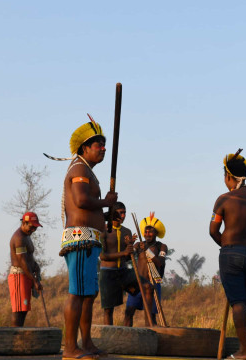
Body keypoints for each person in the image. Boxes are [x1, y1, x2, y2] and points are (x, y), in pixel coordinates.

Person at [60, 117, 117, 360]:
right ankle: (70, 348)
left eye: (105, 145)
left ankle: (87, 343)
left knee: (88, 294)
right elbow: (82, 201)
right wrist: (107, 202)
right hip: (80, 238)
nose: (103, 148)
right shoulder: (79, 169)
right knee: (78, 293)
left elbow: (88, 207)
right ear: (85, 148)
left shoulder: (87, 171)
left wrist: (106, 215)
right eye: (98, 145)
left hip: (90, 239)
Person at [209, 150, 246, 360]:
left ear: (229, 177)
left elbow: (213, 230)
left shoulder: (224, 199)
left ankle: (244, 351)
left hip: (231, 252)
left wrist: (226, 246)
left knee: (238, 303)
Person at [124, 212, 168, 327]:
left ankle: (151, 338)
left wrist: (147, 252)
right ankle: (126, 339)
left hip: (153, 283)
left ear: (156, 233)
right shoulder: (138, 245)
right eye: (146, 232)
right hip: (138, 283)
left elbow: (160, 262)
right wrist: (129, 245)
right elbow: (126, 257)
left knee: (151, 316)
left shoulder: (161, 246)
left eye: (150, 231)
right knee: (128, 313)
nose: (147, 234)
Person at [99, 202, 139, 325]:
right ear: (112, 214)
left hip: (123, 272)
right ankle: (108, 337)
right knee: (108, 310)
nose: (123, 216)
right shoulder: (103, 231)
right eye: (120, 213)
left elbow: (127, 257)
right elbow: (102, 256)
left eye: (124, 212)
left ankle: (129, 318)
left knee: (146, 287)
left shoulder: (127, 232)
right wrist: (124, 252)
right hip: (108, 273)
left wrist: (133, 249)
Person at [8, 212, 43, 327]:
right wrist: (34, 281)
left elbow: (28, 258)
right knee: (18, 310)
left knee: (24, 308)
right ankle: (15, 338)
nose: (33, 229)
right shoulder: (19, 238)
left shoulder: (26, 236)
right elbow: (23, 262)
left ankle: (19, 336)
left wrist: (35, 267)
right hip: (19, 276)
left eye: (35, 227)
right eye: (31, 226)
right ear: (24, 223)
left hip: (26, 276)